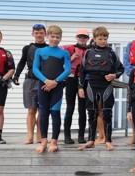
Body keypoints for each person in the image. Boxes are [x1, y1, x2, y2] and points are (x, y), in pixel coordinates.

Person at [78, 26, 124, 151]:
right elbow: (81, 71)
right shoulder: (88, 52)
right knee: (91, 113)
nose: (103, 41)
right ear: (94, 39)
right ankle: (91, 140)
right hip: (91, 85)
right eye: (100, 38)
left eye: (105, 38)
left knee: (107, 113)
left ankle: (108, 140)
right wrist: (80, 87)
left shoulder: (111, 53)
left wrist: (114, 75)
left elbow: (121, 69)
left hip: (106, 85)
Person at [32, 25, 71, 153]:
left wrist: (55, 82)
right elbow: (35, 69)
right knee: (43, 113)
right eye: (52, 36)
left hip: (57, 87)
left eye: (57, 37)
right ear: (47, 36)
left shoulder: (64, 53)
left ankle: (54, 141)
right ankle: (43, 141)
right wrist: (46, 81)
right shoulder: (40, 51)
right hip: (43, 86)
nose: (54, 39)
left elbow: (67, 70)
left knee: (55, 112)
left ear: (60, 38)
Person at [13, 23, 47, 144]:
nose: (39, 35)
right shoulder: (27, 48)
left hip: (44, 81)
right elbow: (22, 62)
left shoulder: (49, 48)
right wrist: (16, 75)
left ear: (45, 34)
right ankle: (29, 136)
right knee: (31, 110)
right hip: (30, 80)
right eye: (36, 33)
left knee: (42, 110)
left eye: (41, 33)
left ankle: (40, 136)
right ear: (33, 34)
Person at [62, 29, 90, 144]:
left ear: (88, 39)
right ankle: (67, 136)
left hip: (84, 81)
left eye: (84, 37)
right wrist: (71, 58)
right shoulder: (69, 48)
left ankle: (81, 135)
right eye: (80, 37)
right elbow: (60, 62)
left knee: (82, 109)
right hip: (71, 79)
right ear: (76, 37)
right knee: (70, 107)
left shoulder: (91, 50)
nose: (82, 39)